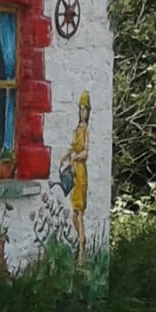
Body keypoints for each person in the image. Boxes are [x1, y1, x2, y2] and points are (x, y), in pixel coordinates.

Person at [61, 91, 91, 261]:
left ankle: (81, 251)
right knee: (74, 213)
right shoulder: (77, 130)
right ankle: (81, 241)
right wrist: (66, 157)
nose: (83, 113)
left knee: (79, 212)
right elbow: (74, 147)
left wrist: (74, 159)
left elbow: (85, 152)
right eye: (81, 110)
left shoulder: (86, 131)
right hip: (74, 171)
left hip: (81, 172)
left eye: (85, 110)